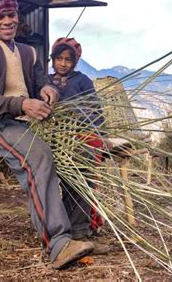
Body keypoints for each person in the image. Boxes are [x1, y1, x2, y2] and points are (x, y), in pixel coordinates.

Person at [0, 0, 94, 269]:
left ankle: (80, 230)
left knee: (79, 154)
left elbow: (40, 82)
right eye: (0, 17)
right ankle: (59, 244)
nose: (8, 21)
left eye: (12, 15)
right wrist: (21, 105)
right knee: (39, 156)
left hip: (30, 120)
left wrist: (47, 91)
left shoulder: (28, 52)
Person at [49, 37, 110, 254]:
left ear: (75, 62)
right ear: (53, 59)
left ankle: (80, 231)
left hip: (78, 139)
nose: (63, 63)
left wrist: (92, 130)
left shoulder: (82, 81)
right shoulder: (46, 81)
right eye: (59, 58)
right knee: (52, 184)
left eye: (68, 60)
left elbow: (95, 111)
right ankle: (58, 231)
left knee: (81, 181)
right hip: (52, 139)